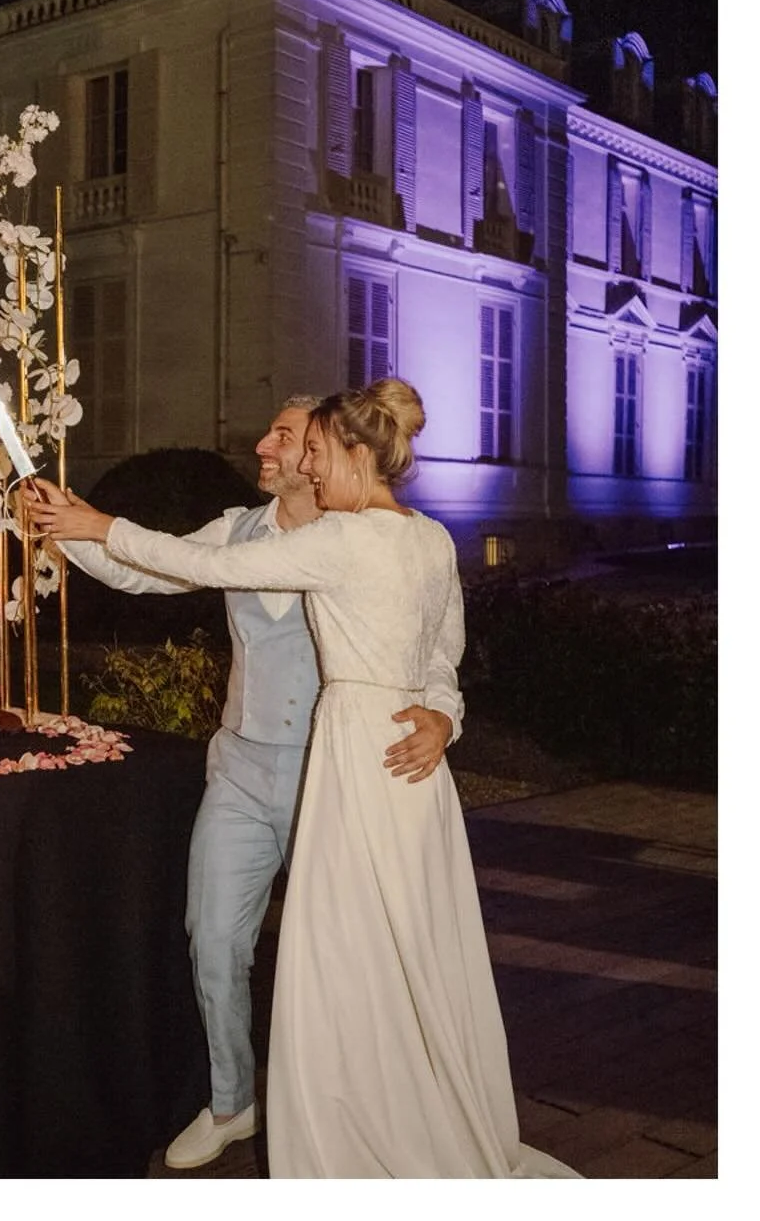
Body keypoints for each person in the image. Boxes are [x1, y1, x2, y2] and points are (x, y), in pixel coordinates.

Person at [30, 380, 578, 1178]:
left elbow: (438, 652)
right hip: (252, 768)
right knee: (226, 938)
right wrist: (71, 529)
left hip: (344, 769)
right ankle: (237, 1099)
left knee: (353, 953)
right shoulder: (255, 530)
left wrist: (443, 715)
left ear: (335, 450)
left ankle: (358, 1108)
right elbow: (160, 569)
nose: (273, 450)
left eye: (294, 441)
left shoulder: (361, 536)